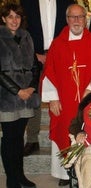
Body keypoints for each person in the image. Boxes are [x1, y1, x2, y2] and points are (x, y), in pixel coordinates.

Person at [41, 4, 91, 186]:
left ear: (86, 19)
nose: (77, 21)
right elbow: (49, 72)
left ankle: (87, 172)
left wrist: (89, 90)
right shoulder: (57, 44)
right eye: (73, 17)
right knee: (65, 129)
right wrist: (52, 97)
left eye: (80, 17)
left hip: (89, 97)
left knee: (90, 129)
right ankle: (65, 173)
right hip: (64, 99)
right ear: (67, 19)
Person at [20, 0, 75, 157]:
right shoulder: (27, 3)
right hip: (36, 57)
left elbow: (72, 28)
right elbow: (21, 32)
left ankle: (66, 135)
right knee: (34, 97)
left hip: (62, 57)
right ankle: (32, 139)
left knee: (64, 96)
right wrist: (33, 55)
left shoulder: (68, 2)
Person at [0, 3, 40, 188]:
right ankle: (11, 180)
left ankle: (20, 175)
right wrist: (17, 91)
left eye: (17, 17)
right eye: (10, 17)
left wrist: (31, 88)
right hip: (7, 97)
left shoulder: (26, 36)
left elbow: (34, 65)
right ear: (3, 19)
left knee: (19, 138)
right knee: (9, 139)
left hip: (26, 97)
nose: (14, 20)